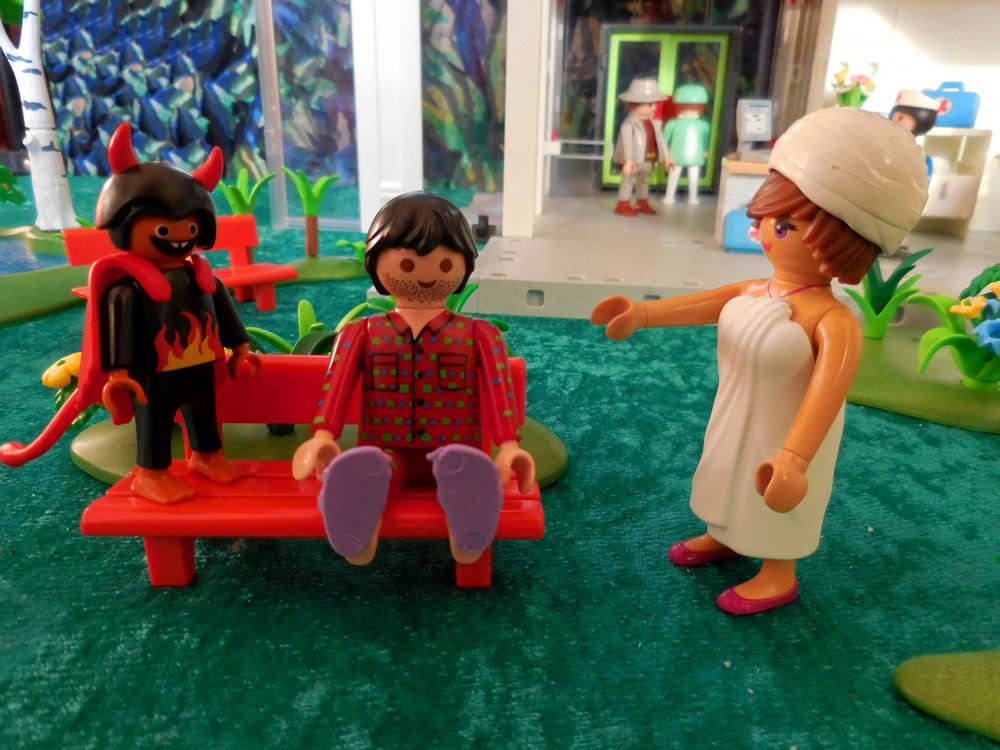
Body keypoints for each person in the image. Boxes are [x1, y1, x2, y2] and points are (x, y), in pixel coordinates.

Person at [592, 108, 928, 614]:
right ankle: (724, 533)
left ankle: (778, 573)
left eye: (787, 223)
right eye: (767, 219)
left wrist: (795, 459)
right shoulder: (757, 289)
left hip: (786, 433)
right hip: (734, 413)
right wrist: (641, 314)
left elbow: (827, 396)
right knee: (725, 470)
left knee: (776, 500)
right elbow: (709, 304)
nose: (768, 231)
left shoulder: (832, 320)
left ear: (841, 239)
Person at [1, 122, 261, 503]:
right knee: (155, 420)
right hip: (152, 373)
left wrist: (240, 349)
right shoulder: (128, 289)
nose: (180, 236)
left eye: (190, 226)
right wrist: (120, 373)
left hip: (199, 365)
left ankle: (207, 456)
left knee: (204, 412)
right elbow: (119, 330)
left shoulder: (202, 278)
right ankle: (151, 474)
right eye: (163, 229)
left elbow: (224, 312)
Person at [293, 192, 535, 566]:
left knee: (461, 467)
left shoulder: (480, 334)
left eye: (444, 264)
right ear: (375, 263)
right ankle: (357, 517)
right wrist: (324, 434)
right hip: (387, 450)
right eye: (407, 264)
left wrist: (508, 445)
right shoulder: (362, 332)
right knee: (371, 471)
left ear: (464, 265)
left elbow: (498, 388)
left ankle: (470, 512)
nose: (425, 275)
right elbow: (336, 383)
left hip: (457, 448)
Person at [612, 78, 673, 217]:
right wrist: (628, 160)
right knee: (629, 181)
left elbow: (661, 141)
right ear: (634, 104)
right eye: (650, 104)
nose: (653, 108)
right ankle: (623, 203)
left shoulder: (654, 124)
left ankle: (642, 202)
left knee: (644, 181)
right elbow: (627, 143)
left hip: (649, 159)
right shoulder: (629, 124)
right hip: (635, 160)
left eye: (655, 104)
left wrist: (667, 158)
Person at [661, 83, 711, 205]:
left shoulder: (672, 123)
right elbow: (705, 140)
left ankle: (669, 197)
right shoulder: (703, 125)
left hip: (676, 155)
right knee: (694, 178)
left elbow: (664, 140)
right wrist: (705, 150)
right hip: (695, 156)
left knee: (674, 177)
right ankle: (692, 199)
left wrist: (664, 154)